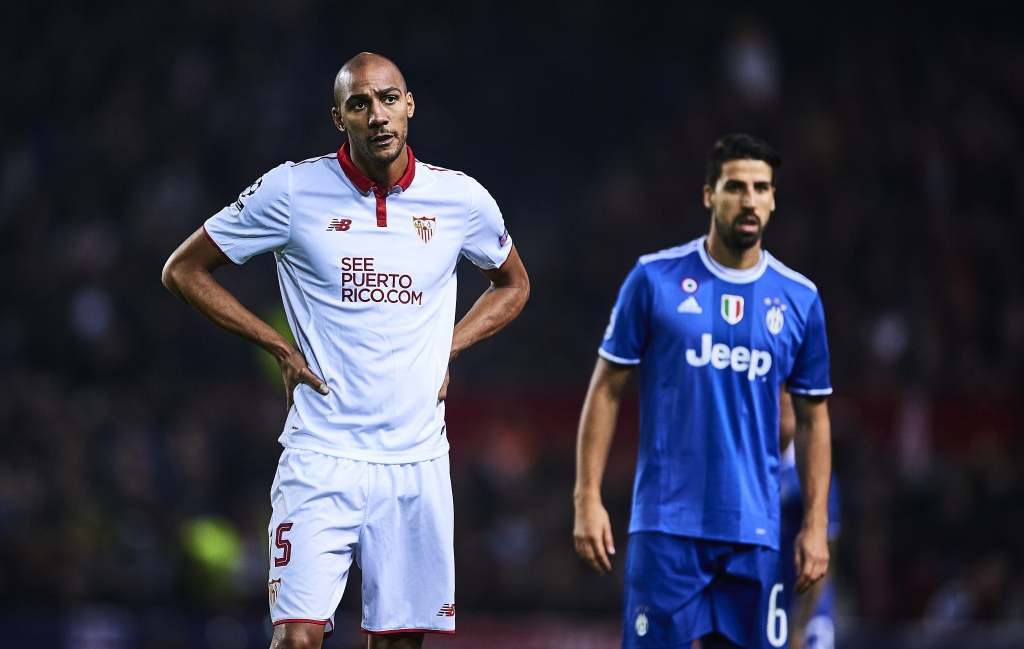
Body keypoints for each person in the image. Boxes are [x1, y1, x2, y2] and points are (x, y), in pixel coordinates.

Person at [162, 52, 529, 649]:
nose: (377, 115)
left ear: (410, 106)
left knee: (399, 642)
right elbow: (183, 270)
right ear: (339, 117)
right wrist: (276, 345)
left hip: (416, 461)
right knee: (298, 638)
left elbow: (513, 283)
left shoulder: (460, 199)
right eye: (360, 104)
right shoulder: (291, 189)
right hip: (320, 455)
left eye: (388, 99)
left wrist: (448, 349)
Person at [573, 133, 833, 649]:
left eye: (761, 188)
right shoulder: (654, 279)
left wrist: (815, 523)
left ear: (774, 199)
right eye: (736, 186)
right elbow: (606, 389)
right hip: (667, 529)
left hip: (757, 533)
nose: (750, 199)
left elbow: (813, 419)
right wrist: (587, 498)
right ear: (709, 195)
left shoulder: (800, 299)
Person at [779, 389, 841, 649]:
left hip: (805, 609)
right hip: (766, 599)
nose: (781, 418)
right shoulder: (754, 467)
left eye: (787, 409)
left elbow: (827, 556)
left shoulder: (813, 474)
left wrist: (799, 627)